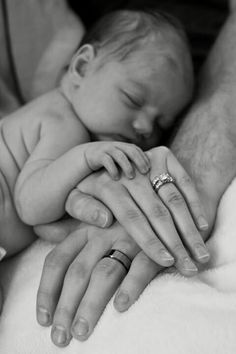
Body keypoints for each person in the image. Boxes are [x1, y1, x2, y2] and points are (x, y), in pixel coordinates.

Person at [32, 0, 236, 347]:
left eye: (159, 124)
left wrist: (189, 165)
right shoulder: (54, 119)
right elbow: (33, 208)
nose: (144, 127)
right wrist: (81, 168)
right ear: (81, 65)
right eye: (131, 98)